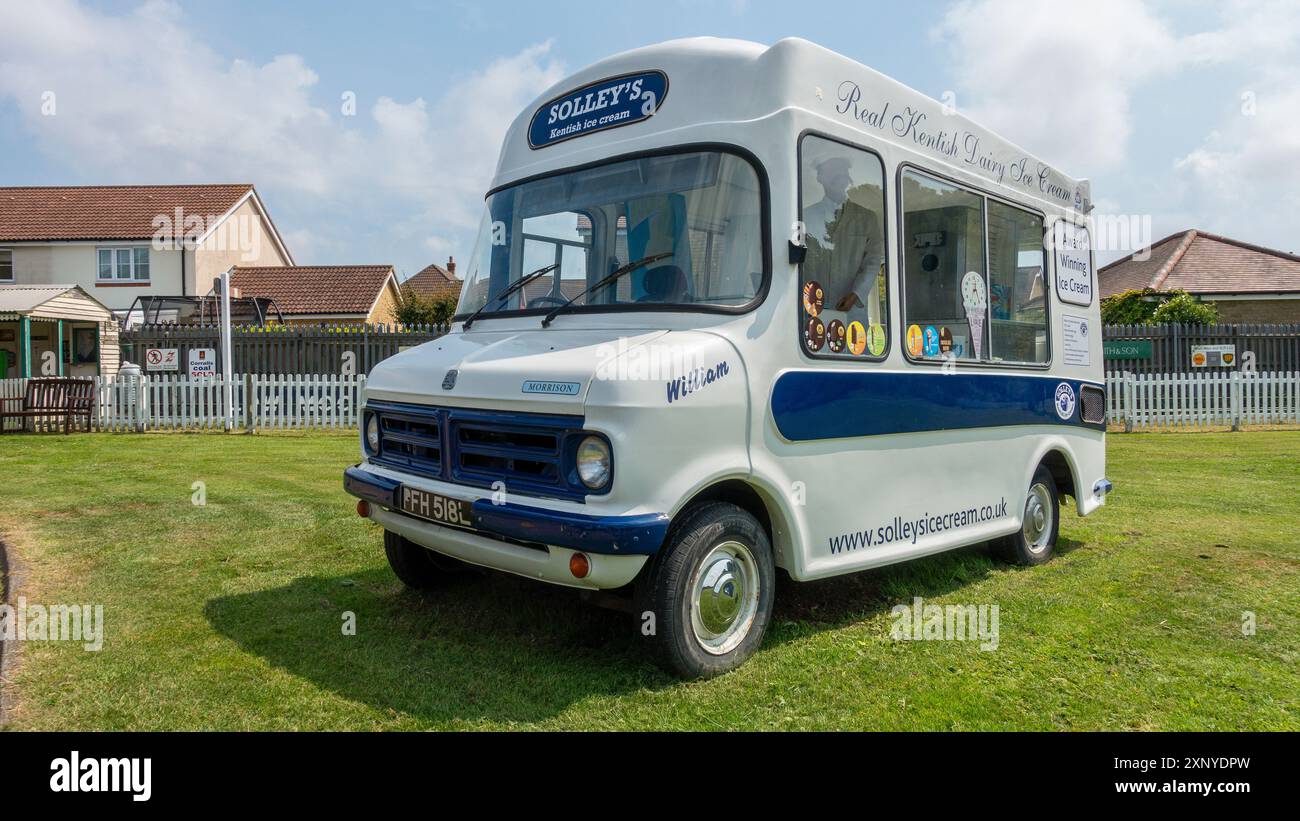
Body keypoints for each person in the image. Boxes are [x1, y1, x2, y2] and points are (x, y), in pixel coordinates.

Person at [803, 156, 884, 321]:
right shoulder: (806, 217)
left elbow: (873, 262)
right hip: (813, 310)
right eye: (832, 170)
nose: (839, 175)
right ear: (820, 177)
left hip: (852, 314)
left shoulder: (867, 218)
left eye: (842, 170)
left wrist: (855, 295)